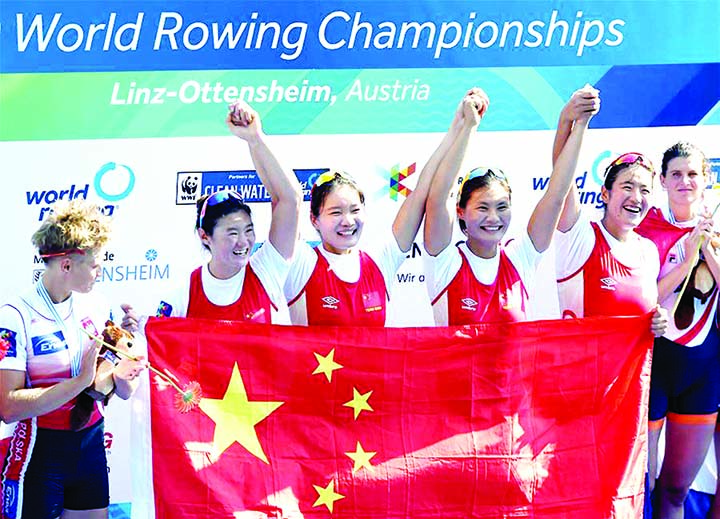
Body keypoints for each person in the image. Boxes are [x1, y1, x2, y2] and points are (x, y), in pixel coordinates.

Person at [283, 91, 483, 326]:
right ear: (314, 219)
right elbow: (286, 199)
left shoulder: (378, 261)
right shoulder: (301, 263)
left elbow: (421, 192)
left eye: (355, 210)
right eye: (336, 212)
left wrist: (460, 127)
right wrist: (253, 137)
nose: (347, 221)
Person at [0, 199, 146, 519]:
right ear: (66, 265)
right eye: (94, 264)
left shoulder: (96, 305)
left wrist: (127, 360)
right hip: (41, 453)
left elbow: (115, 387)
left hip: (91, 445)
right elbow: (8, 407)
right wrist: (78, 381)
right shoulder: (15, 316)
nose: (100, 271)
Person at [422, 86, 598, 325]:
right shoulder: (444, 260)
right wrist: (468, 127)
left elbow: (557, 194)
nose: (494, 217)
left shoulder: (520, 256)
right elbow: (439, 197)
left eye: (502, 207)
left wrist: (578, 124)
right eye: (483, 208)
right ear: (460, 212)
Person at [123, 101, 302, 328]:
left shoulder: (267, 269)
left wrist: (255, 139)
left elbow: (290, 199)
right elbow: (158, 345)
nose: (244, 241)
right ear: (204, 236)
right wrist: (134, 331)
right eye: (232, 233)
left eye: (248, 230)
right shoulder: (182, 296)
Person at [633, 142, 720, 518]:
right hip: (654, 371)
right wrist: (687, 258)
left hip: (703, 371)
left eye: (693, 174)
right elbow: (643, 296)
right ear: (663, 181)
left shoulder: (716, 230)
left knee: (675, 489)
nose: (685, 182)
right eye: (676, 175)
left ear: (708, 180)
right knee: (643, 485)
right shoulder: (645, 228)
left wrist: (709, 248)